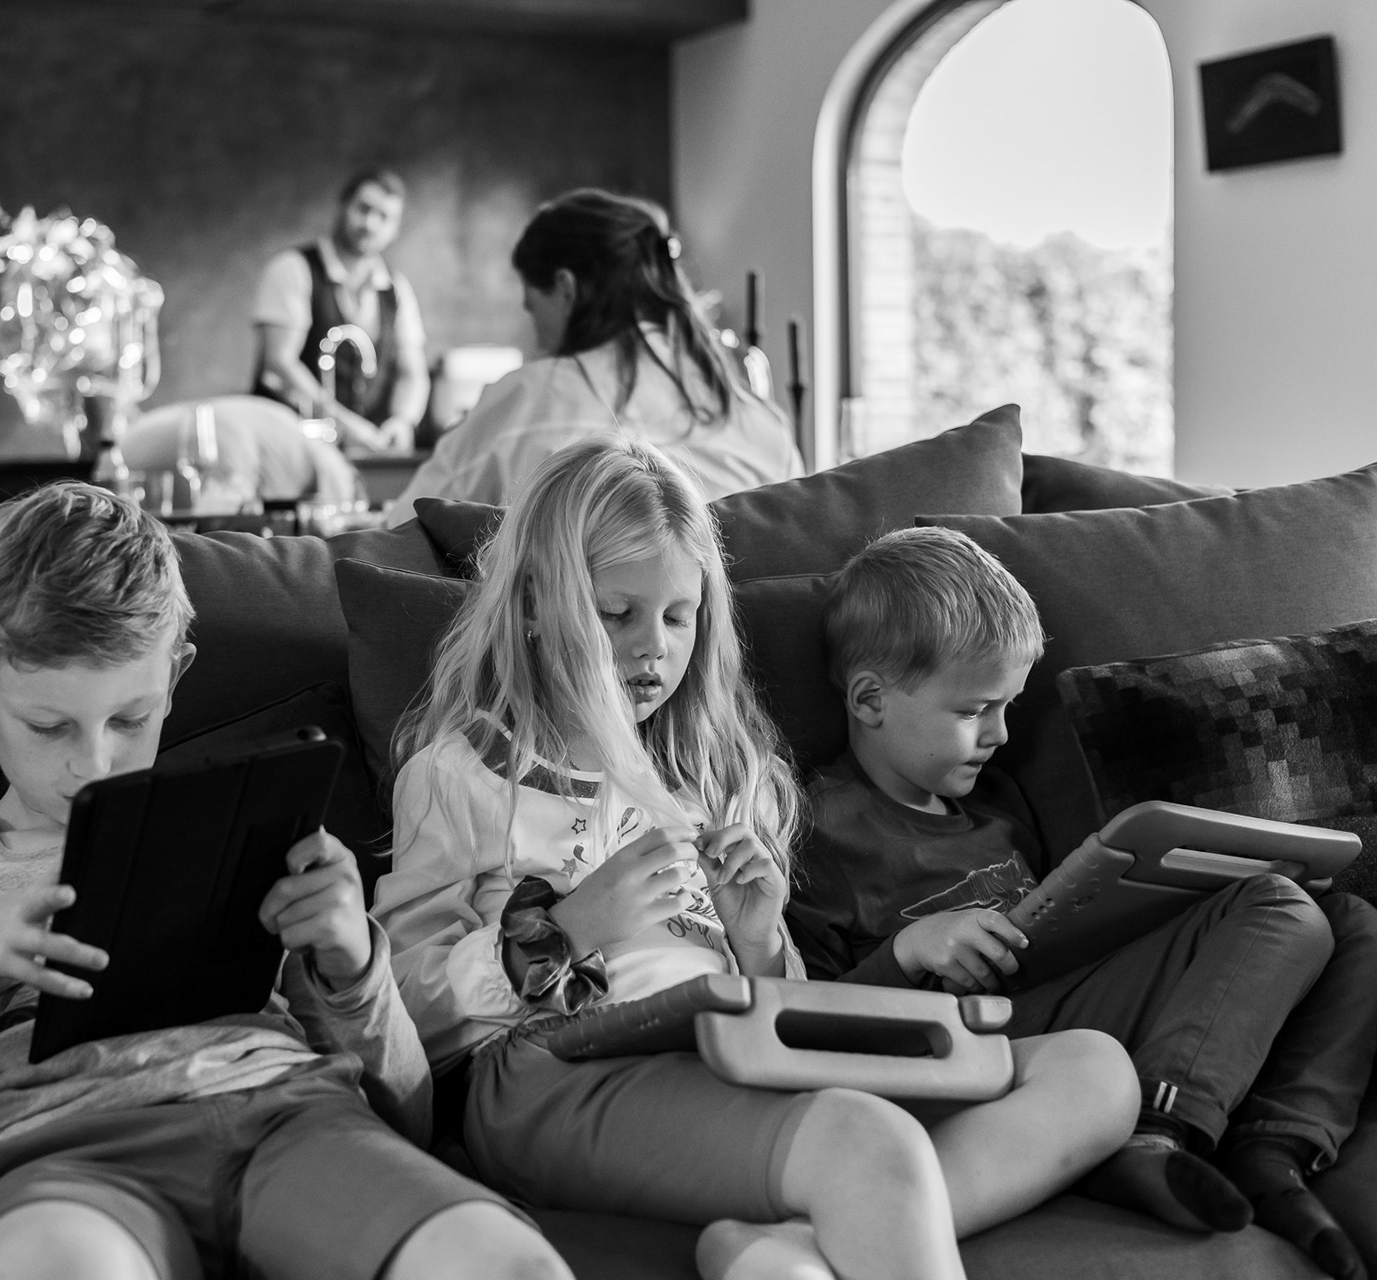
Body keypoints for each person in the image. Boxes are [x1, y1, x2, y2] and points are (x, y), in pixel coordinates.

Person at [372, 439, 1137, 1280]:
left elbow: (786, 1008)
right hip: (556, 1069)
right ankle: (853, 1198)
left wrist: (760, 940)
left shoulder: (717, 776)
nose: (653, 649)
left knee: (1093, 1070)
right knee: (863, 1140)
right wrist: (565, 932)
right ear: (532, 605)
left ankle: (806, 1240)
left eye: (678, 617)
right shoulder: (462, 774)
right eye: (617, 613)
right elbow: (402, 1012)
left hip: (734, 1048)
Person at [0, 483, 568, 1280]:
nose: (95, 764)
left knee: (505, 1265)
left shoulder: (244, 828)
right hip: (61, 1153)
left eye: (129, 719)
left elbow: (411, 1119)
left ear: (175, 677)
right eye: (49, 726)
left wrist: (354, 966)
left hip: (289, 1116)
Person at [790, 526, 1377, 1280]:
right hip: (986, 1038)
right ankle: (1155, 1126)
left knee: (1357, 926)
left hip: (1072, 991)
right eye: (975, 710)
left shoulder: (995, 804)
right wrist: (906, 951)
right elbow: (806, 1019)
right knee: (1279, 909)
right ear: (869, 700)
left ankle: (1277, 1145)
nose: (1000, 734)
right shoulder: (816, 829)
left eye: (1009, 706)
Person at [385, 190, 802, 525]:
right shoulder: (759, 421)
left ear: (566, 289)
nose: (537, 335)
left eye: (533, 306)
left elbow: (405, 529)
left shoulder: (530, 399)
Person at [252, 168, 429, 455]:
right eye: (363, 209)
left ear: (396, 230)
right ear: (343, 207)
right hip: (288, 450)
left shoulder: (397, 290)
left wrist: (403, 421)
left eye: (384, 217)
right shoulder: (293, 269)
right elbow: (280, 363)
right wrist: (345, 424)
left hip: (363, 454)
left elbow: (413, 373)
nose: (370, 224)